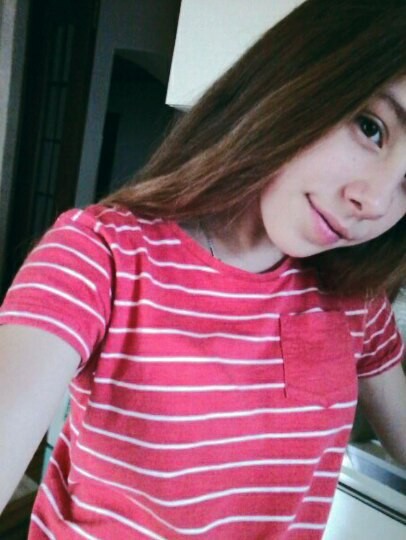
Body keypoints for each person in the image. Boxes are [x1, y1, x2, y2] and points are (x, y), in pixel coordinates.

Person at [0, 0, 405, 537]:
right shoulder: (103, 256)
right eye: (371, 128)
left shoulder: (356, 300)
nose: (374, 201)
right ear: (296, 75)